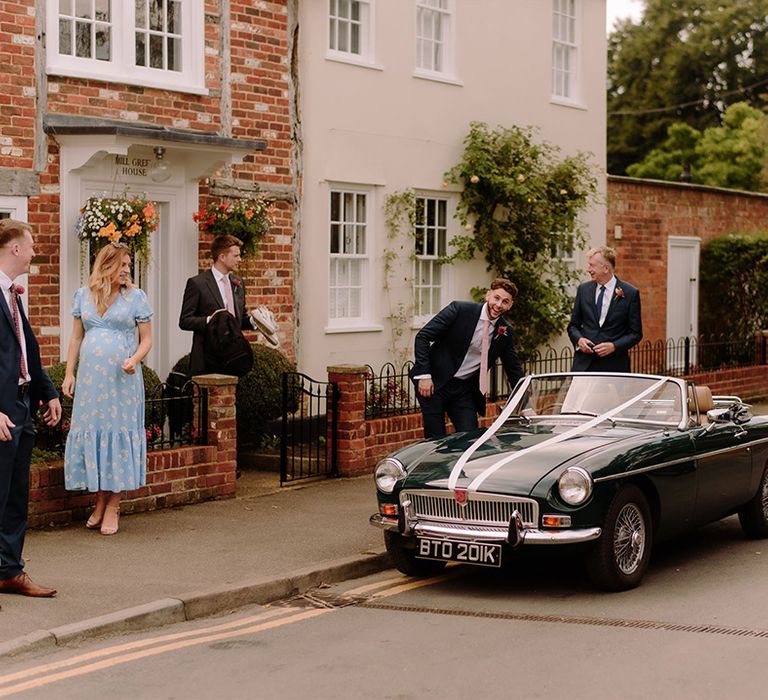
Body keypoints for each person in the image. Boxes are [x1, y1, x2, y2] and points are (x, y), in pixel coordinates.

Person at [62, 243, 153, 536]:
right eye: (122, 264)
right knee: (96, 434)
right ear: (106, 265)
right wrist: (69, 373)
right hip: (90, 381)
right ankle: (100, 502)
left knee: (116, 436)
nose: (127, 270)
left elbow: (147, 340)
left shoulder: (136, 298)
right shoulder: (83, 296)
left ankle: (113, 505)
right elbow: (76, 338)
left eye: (129, 265)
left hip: (121, 380)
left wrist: (135, 360)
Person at [0, 219, 61, 601]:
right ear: (15, 249)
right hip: (1, 413)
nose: (36, 251)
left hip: (22, 407)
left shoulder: (14, 295)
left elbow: (28, 352)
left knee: (16, 496)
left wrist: (49, 393)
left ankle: (8, 570)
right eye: (32, 244)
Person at [410, 278, 524, 439]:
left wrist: (524, 402)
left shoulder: (505, 331)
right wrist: (424, 375)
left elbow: (513, 368)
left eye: (505, 302)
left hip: (464, 389)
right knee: (435, 438)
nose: (499, 305)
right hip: (435, 382)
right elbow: (423, 337)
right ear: (488, 295)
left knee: (470, 438)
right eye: (496, 298)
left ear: (510, 305)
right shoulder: (459, 310)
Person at [179, 234, 256, 375]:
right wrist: (210, 320)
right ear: (222, 257)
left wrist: (255, 321)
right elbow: (184, 321)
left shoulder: (238, 283)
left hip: (232, 359)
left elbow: (238, 320)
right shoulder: (197, 283)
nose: (240, 259)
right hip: (207, 360)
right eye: (236, 255)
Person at [567, 245, 642, 372]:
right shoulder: (583, 290)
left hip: (614, 367)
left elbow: (635, 334)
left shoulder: (630, 293)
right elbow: (573, 326)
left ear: (606, 268)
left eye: (592, 265)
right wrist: (579, 340)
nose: (588, 269)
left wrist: (614, 346)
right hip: (584, 366)